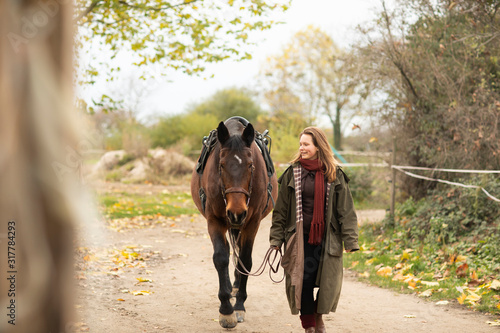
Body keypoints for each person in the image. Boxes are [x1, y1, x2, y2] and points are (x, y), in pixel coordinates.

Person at [269, 127, 359, 333]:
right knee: (304, 281)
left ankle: (318, 316)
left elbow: (346, 211)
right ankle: (309, 325)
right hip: (299, 238)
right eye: (300, 144)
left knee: (327, 283)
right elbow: (280, 211)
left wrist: (351, 241)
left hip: (328, 239)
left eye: (306, 144)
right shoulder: (292, 173)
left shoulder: (335, 174)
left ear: (318, 146)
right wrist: (276, 240)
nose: (302, 148)